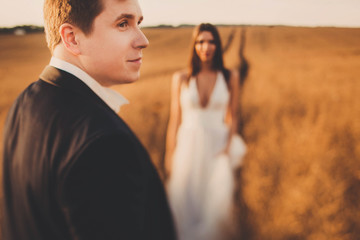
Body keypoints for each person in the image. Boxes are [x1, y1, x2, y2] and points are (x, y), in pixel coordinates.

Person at [2, 0, 176, 239]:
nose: (143, 40)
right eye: (123, 24)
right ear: (72, 38)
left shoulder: (26, 102)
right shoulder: (105, 144)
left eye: (139, 23)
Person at [165, 23, 247, 240]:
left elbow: (234, 116)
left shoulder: (230, 77)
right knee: (184, 202)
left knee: (215, 205)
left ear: (218, 46)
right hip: (187, 147)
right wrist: (169, 154)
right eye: (201, 41)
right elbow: (175, 119)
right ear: (194, 45)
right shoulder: (181, 78)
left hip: (217, 147)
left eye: (211, 41)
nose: (206, 46)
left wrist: (228, 147)